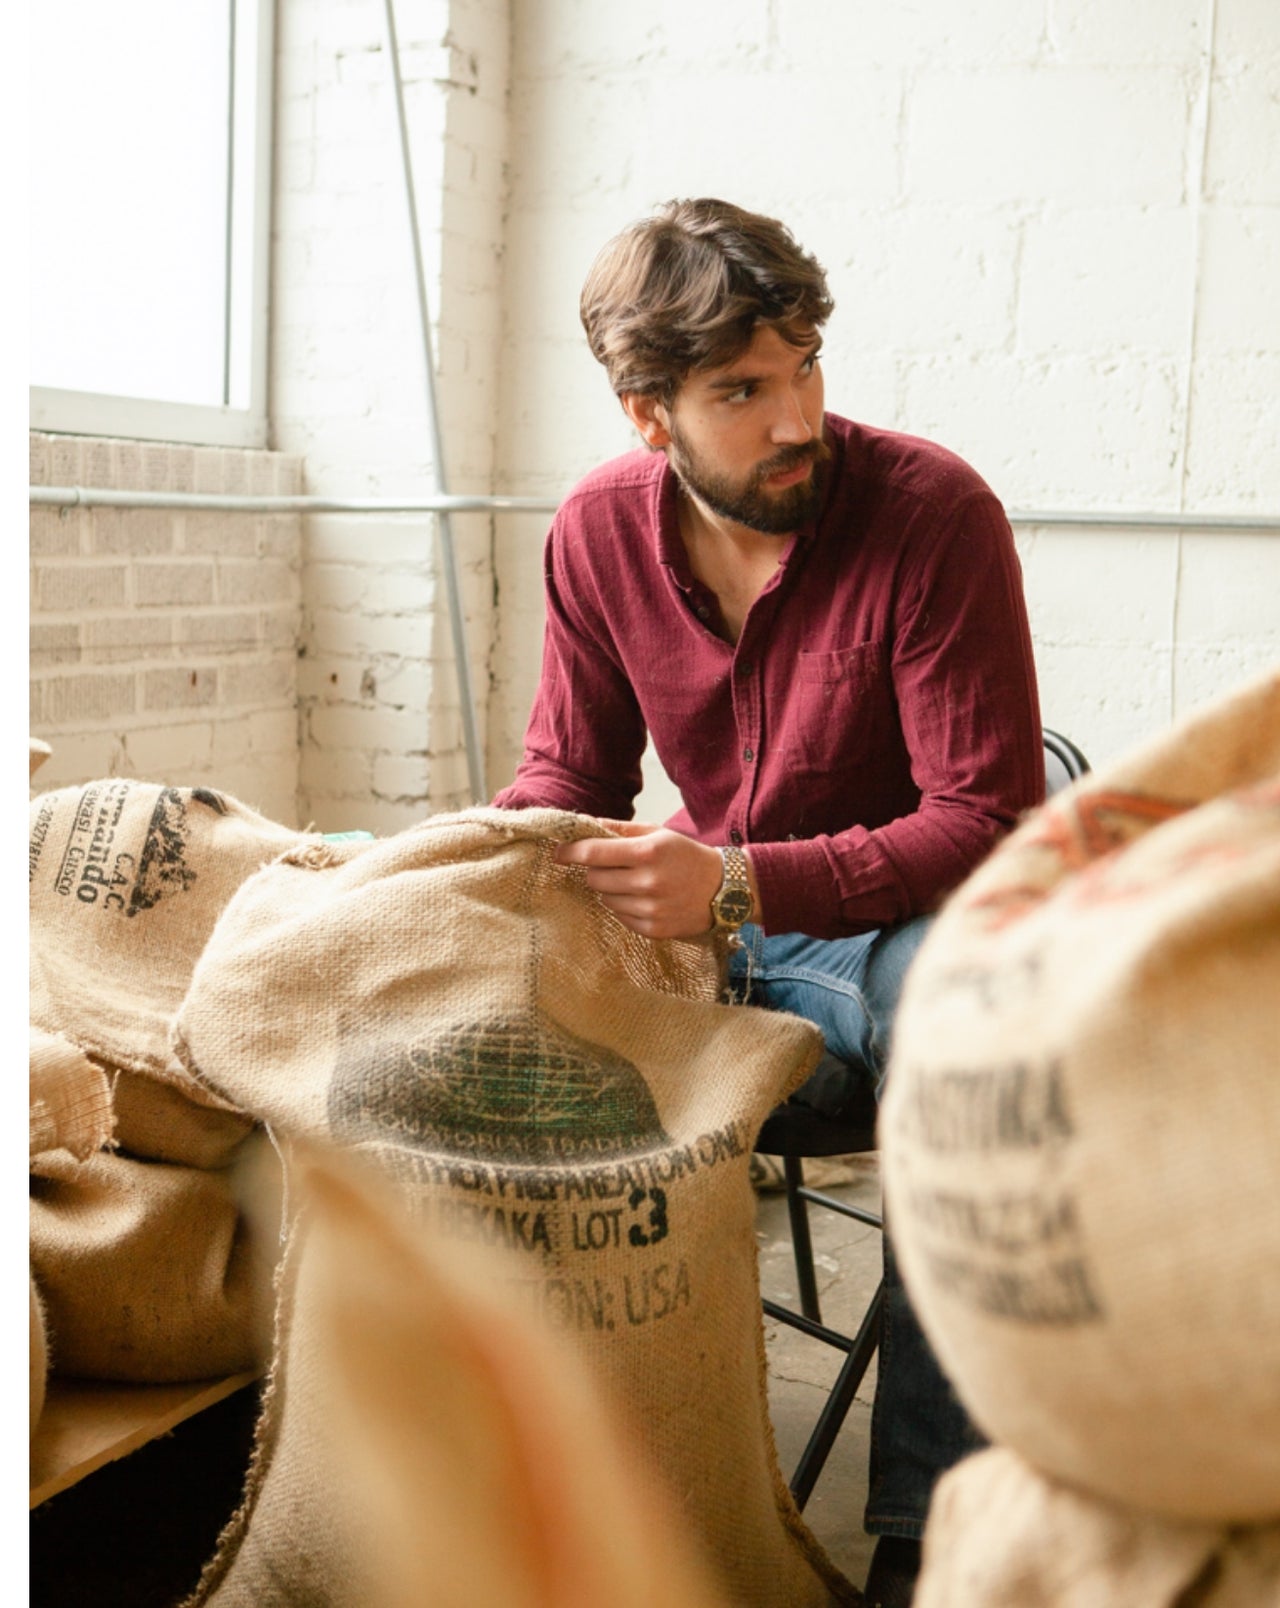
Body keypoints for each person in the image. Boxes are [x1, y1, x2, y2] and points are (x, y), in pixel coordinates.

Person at [492, 197, 1044, 1607]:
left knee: (975, 1018)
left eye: (804, 365)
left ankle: (928, 1534)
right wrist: (460, 874)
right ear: (648, 414)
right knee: (483, 1029)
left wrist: (736, 882)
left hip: (896, 933)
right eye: (743, 389)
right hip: (711, 933)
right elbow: (568, 770)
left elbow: (985, 819)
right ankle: (559, 1478)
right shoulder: (598, 534)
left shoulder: (934, 514)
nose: (796, 414)